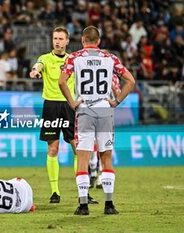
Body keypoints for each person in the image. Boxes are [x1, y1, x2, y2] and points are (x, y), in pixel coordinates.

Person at [59, 26, 135, 215]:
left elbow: (61, 81)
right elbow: (131, 81)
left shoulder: (74, 57)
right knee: (106, 157)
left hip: (84, 110)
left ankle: (83, 205)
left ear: (83, 41)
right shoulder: (110, 58)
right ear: (98, 41)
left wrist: (72, 102)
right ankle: (109, 205)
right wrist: (116, 101)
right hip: (105, 110)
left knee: (83, 158)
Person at [29, 26, 97, 204]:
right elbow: (38, 65)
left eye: (61, 39)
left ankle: (83, 191)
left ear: (67, 41)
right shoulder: (45, 58)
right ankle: (55, 192)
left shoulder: (73, 60)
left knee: (78, 149)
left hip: (70, 106)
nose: (57, 42)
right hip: (51, 106)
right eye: (55, 38)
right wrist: (35, 70)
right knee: (53, 149)